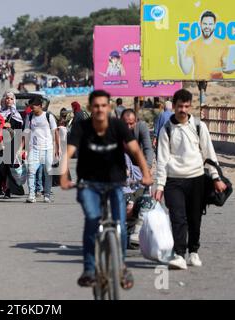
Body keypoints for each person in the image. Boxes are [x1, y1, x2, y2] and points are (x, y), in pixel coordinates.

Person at [60, 90, 152, 288]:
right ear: (90, 108)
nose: (100, 109)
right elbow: (67, 153)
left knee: (119, 224)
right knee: (92, 220)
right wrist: (64, 177)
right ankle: (89, 269)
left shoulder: (118, 126)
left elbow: (136, 149)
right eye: (96, 106)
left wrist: (146, 173)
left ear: (109, 107)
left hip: (115, 184)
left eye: (103, 105)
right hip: (89, 185)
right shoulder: (81, 127)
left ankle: (121, 267)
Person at [154, 89, 227, 270]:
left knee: (195, 218)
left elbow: (209, 153)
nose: (183, 110)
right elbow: (162, 159)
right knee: (178, 218)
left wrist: (216, 177)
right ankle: (179, 254)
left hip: (196, 179)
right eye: (180, 106)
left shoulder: (198, 126)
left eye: (187, 106)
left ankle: (193, 252)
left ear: (190, 106)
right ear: (174, 105)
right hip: (173, 181)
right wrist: (160, 185)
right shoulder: (167, 129)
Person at [23, 95, 59, 204]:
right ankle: (32, 195)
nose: (31, 108)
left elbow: (55, 132)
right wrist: (21, 148)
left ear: (40, 106)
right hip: (34, 149)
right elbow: (26, 133)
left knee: (48, 172)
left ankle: (47, 195)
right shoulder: (29, 117)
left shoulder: (48, 116)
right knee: (31, 171)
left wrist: (58, 148)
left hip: (48, 148)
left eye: (33, 106)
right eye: (30, 106)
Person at [177, 11, 231, 80]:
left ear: (214, 25)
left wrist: (230, 66)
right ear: (200, 24)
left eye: (210, 24)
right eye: (205, 24)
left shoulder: (223, 44)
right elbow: (186, 71)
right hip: (199, 86)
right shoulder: (192, 44)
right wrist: (180, 52)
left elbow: (227, 70)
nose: (207, 27)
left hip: (217, 85)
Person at [0, 91, 24, 198]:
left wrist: (20, 148)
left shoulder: (17, 115)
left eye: (11, 99)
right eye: (7, 98)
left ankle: (8, 189)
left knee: (9, 167)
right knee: (0, 167)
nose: (9, 100)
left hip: (12, 144)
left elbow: (19, 132)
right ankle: (2, 186)